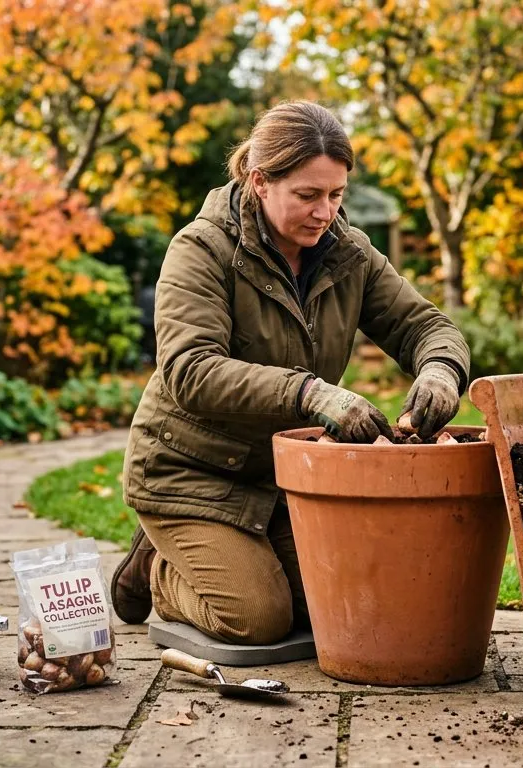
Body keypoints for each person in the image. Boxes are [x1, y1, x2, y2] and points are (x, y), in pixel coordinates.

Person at [112, 101, 470, 645]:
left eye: (336, 195)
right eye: (307, 195)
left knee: (339, 604)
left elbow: (425, 325)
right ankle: (158, 572)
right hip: (189, 471)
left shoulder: (348, 254)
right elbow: (191, 369)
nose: (325, 211)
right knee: (258, 620)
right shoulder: (201, 250)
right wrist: (310, 393)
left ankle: (210, 556)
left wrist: (442, 370)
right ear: (259, 180)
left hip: (275, 478)